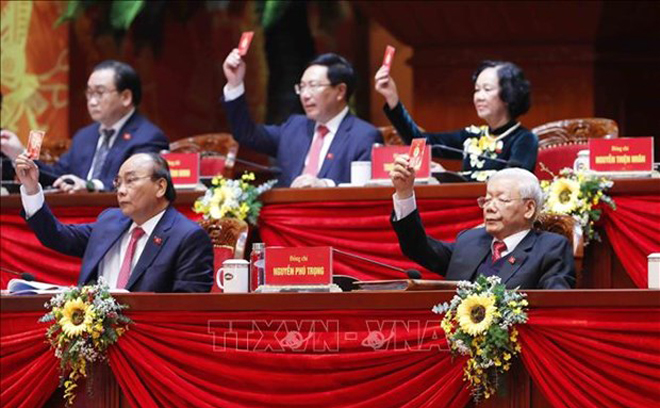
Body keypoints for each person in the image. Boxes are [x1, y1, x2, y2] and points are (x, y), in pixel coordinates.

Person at [15, 152, 214, 292]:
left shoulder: (188, 237)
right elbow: (57, 236)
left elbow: (186, 310)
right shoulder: (110, 221)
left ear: (160, 186)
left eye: (131, 180)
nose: (121, 190)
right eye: (118, 182)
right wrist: (32, 189)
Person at [389, 157, 575, 289]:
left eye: (501, 200)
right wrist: (404, 194)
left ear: (529, 208)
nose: (489, 207)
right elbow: (417, 247)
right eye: (486, 200)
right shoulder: (470, 240)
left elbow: (555, 308)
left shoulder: (550, 248)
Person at [1, 60, 169, 193]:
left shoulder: (148, 137)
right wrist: (19, 154)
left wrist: (89, 186)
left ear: (125, 97)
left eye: (100, 92)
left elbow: (138, 186)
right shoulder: (85, 136)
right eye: (89, 93)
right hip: (76, 218)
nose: (92, 101)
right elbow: (56, 176)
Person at [222, 51, 382, 188]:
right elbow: (246, 133)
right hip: (286, 219)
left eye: (313, 86)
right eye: (302, 87)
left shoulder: (364, 136)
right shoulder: (294, 127)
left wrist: (325, 185)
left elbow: (365, 190)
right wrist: (234, 83)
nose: (305, 95)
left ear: (340, 91)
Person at [375, 60, 538, 181]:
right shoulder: (473, 135)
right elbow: (421, 143)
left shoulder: (524, 139)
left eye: (487, 89)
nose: (479, 97)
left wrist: (450, 177)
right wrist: (392, 98)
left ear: (509, 95)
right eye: (476, 90)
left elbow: (511, 183)